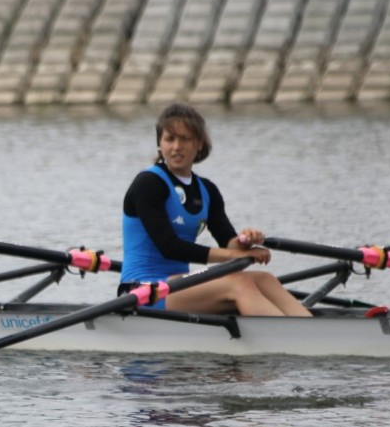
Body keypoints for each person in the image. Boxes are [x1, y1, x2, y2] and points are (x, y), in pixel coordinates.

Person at [120, 103, 311, 317]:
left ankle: (312, 332)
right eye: (169, 139)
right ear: (159, 144)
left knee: (265, 280)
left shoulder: (207, 190)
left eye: (185, 139)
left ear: (199, 144)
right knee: (238, 283)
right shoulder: (148, 183)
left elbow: (228, 242)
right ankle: (292, 340)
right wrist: (236, 255)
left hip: (177, 286)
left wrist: (245, 241)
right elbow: (170, 247)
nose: (176, 146)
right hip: (141, 291)